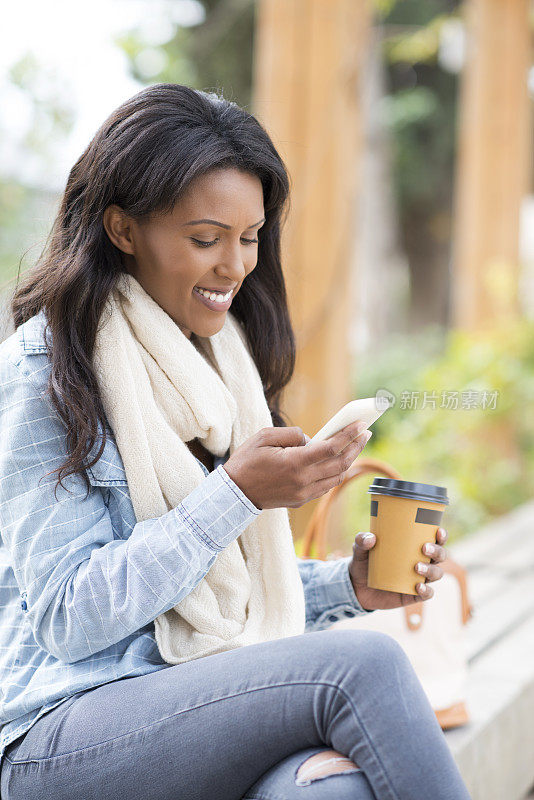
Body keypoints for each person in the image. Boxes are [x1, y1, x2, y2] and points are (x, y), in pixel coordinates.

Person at [0, 83, 471, 800]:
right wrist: (234, 496)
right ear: (123, 229)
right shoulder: (44, 369)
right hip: (61, 729)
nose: (235, 267)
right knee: (364, 668)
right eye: (204, 239)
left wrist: (349, 586)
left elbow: (217, 598)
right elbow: (70, 615)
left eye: (250, 238)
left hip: (192, 708)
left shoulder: (217, 374)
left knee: (328, 794)